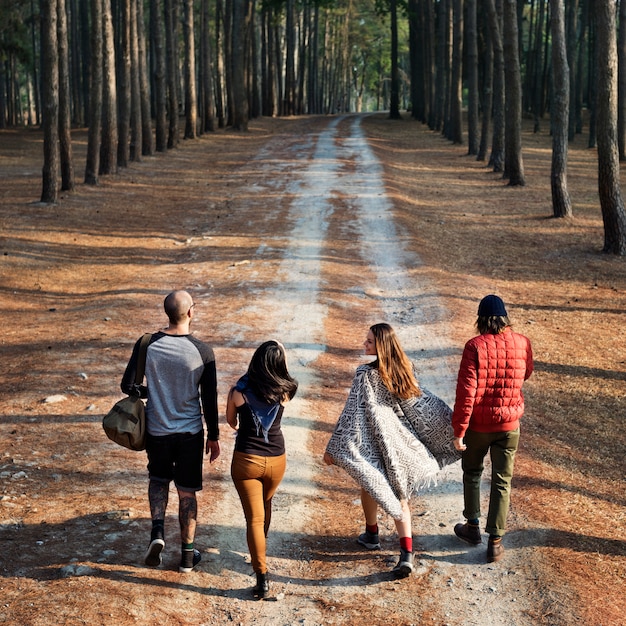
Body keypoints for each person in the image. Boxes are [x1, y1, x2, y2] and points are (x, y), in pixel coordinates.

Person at [324, 323, 460, 579]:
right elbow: (425, 407)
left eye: (369, 342)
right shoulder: (404, 371)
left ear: (381, 346)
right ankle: (388, 543)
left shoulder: (364, 374)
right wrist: (452, 429)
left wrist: (334, 448)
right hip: (402, 446)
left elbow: (351, 415)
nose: (364, 345)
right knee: (379, 487)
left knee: (383, 486)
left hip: (377, 444)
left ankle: (385, 541)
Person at [121, 290, 220, 573]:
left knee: (158, 479)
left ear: (167, 313)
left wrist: (155, 391)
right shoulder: (202, 351)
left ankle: (157, 534)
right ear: (190, 312)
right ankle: (188, 558)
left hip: (157, 429)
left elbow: (128, 386)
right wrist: (213, 436)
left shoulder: (147, 344)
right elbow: (209, 399)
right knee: (187, 493)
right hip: (189, 433)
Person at [452, 294, 533, 563]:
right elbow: (527, 372)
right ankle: (495, 541)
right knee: (502, 480)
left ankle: (472, 527)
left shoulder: (474, 346)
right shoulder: (522, 342)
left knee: (472, 472)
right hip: (510, 426)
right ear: (505, 317)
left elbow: (467, 393)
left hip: (479, 426)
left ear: (480, 319)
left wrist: (459, 431)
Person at [226, 340, 298, 599]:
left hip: (247, 460)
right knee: (266, 507)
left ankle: (262, 578)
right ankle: (260, 554)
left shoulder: (238, 391)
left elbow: (231, 421)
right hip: (277, 459)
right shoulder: (287, 390)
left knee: (253, 519)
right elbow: (285, 374)